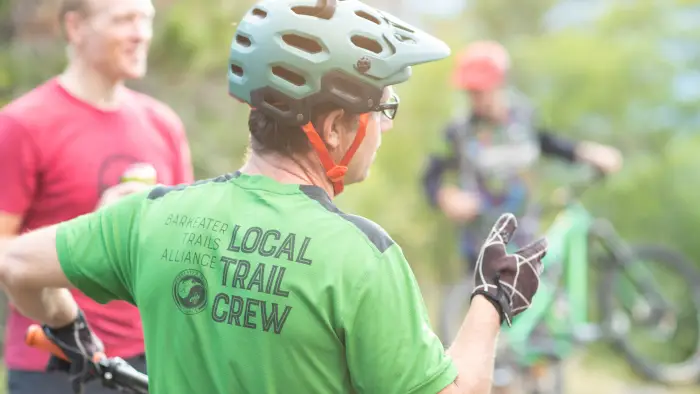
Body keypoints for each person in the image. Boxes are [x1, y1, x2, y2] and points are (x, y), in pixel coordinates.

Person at [0, 1, 547, 393]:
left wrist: (70, 331)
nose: (385, 129)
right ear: (333, 128)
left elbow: (17, 263)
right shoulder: (360, 257)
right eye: (382, 112)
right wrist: (491, 304)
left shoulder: (152, 216)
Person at [0, 0, 193, 392]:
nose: (141, 33)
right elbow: (5, 253)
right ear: (75, 27)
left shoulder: (164, 125)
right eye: (124, 19)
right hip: (54, 362)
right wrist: (96, 227)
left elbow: (185, 245)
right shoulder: (21, 124)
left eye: (146, 20)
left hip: (148, 360)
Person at [423, 40, 623, 269]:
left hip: (526, 236)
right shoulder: (458, 131)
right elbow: (430, 175)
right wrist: (447, 197)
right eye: (470, 91)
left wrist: (590, 153)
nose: (474, 97)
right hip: (482, 245)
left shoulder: (525, 117)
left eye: (480, 89)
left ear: (499, 83)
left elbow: (550, 144)